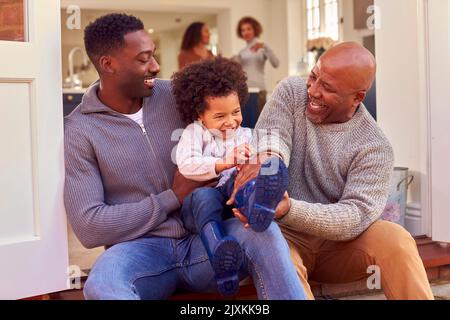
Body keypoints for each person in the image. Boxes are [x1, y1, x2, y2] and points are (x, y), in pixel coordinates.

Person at [64, 13, 306, 300]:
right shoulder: (80, 130)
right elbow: (90, 225)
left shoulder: (177, 95)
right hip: (142, 251)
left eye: (153, 55)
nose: (155, 67)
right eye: (144, 59)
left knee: (266, 235)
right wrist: (172, 197)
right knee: (101, 284)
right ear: (108, 64)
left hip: (212, 242)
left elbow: (234, 127)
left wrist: (258, 161)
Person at [228, 42, 434, 300]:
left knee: (396, 238)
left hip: (337, 247)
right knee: (277, 254)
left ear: (357, 97)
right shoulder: (292, 91)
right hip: (283, 234)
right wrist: (270, 161)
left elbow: (355, 215)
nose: (313, 91)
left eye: (327, 88)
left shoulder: (375, 147)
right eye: (314, 77)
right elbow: (273, 136)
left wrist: (290, 209)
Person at [172, 57, 290, 297]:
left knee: (250, 180)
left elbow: (253, 163)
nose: (230, 122)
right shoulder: (195, 133)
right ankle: (218, 250)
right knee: (205, 196)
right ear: (199, 115)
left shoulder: (247, 134)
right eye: (220, 116)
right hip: (200, 206)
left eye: (235, 112)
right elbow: (186, 164)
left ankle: (258, 208)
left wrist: (253, 165)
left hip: (231, 196)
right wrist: (223, 163)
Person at [233, 16, 279, 116]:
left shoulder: (262, 47)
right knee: (245, 125)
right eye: (243, 30)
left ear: (255, 29)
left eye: (249, 29)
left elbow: (276, 64)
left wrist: (265, 46)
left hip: (259, 91)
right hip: (244, 91)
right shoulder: (241, 52)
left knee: (259, 124)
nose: (246, 32)